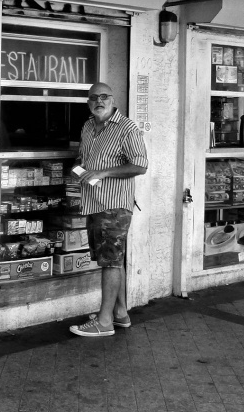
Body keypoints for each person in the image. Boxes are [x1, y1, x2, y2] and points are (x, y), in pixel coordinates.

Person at [69, 82, 148, 337]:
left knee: (110, 262)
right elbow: (84, 159)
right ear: (88, 102)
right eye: (93, 97)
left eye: (104, 96)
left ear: (113, 100)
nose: (99, 101)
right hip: (94, 202)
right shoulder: (88, 126)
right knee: (114, 258)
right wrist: (79, 169)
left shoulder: (127, 128)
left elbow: (140, 165)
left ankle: (103, 322)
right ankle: (120, 314)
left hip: (114, 205)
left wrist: (102, 172)